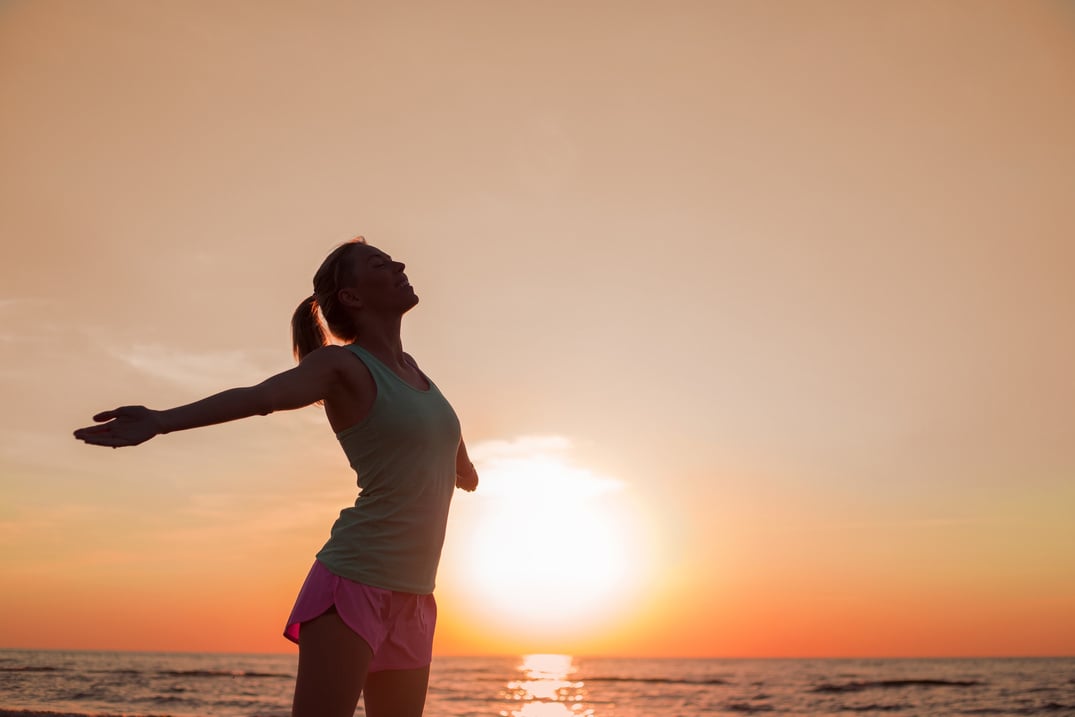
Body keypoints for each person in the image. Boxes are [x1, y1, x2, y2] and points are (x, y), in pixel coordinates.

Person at [73, 237, 479, 717]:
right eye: (380, 263)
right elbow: (259, 396)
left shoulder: (416, 374)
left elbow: (439, 430)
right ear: (351, 296)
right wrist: (162, 420)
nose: (400, 264)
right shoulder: (340, 365)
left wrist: (463, 465)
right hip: (354, 582)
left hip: (415, 597)